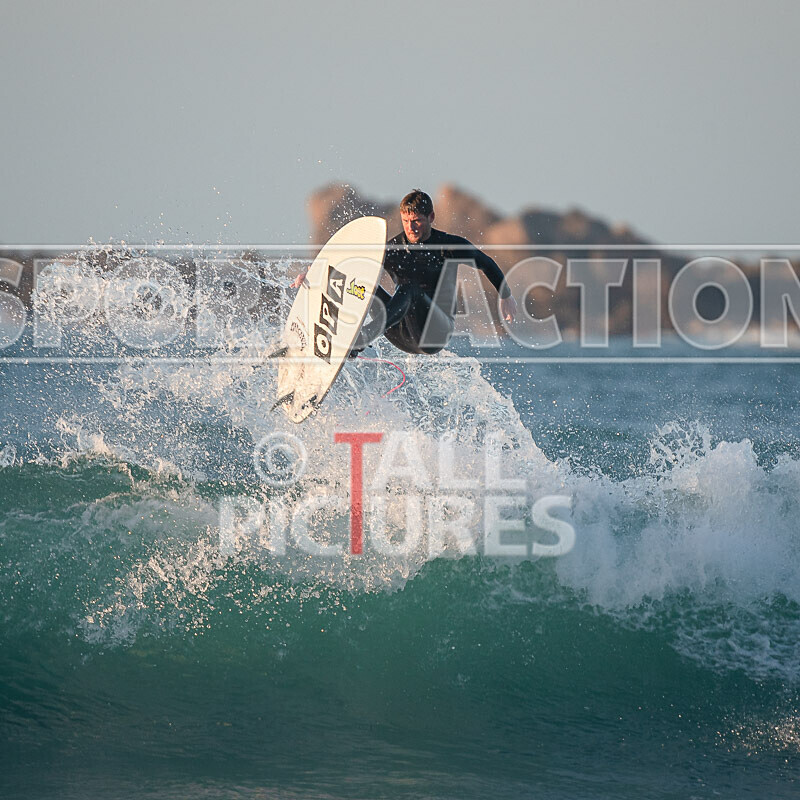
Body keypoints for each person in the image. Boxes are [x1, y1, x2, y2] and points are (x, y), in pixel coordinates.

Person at [292, 189, 517, 355]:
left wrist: (505, 295)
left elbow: (486, 263)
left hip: (435, 333)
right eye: (406, 221)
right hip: (401, 334)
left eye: (417, 221)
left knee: (410, 290)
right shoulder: (392, 250)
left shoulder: (447, 245)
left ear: (431, 218)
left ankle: (362, 338)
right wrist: (316, 274)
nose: (411, 227)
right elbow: (354, 266)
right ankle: (331, 332)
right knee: (363, 286)